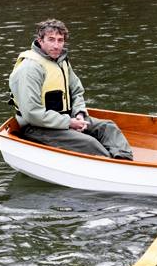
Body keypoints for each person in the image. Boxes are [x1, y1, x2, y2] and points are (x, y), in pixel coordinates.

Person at [8, 19, 133, 160]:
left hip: (66, 118)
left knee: (107, 127)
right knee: (89, 143)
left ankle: (125, 162)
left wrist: (79, 113)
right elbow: (32, 114)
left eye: (60, 40)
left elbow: (76, 91)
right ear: (40, 41)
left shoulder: (61, 61)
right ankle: (113, 168)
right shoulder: (30, 69)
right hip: (37, 127)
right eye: (51, 40)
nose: (56, 46)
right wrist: (69, 123)